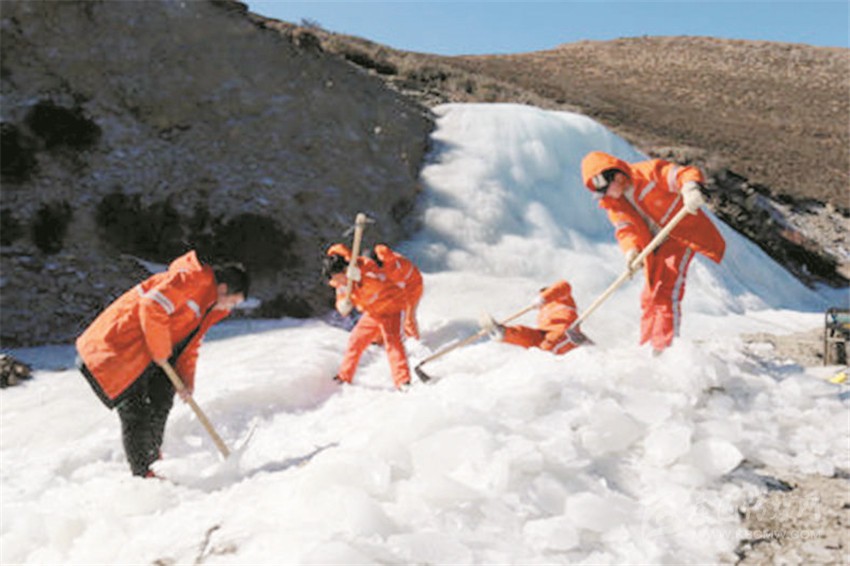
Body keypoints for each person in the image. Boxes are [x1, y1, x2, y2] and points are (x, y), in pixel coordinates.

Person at [75, 250, 249, 477]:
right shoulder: (192, 280)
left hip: (142, 353)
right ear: (223, 289)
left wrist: (185, 381)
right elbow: (152, 305)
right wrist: (161, 351)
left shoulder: (207, 306)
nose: (230, 309)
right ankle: (144, 475)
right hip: (113, 347)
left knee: (163, 394)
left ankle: (153, 458)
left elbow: (190, 345)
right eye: (233, 302)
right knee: (135, 412)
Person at [580, 151, 725, 353]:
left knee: (665, 291)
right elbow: (625, 229)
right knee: (649, 297)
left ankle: (665, 349)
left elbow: (682, 174)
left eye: (605, 189)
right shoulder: (613, 203)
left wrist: (691, 189)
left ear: (617, 176)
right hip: (653, 245)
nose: (605, 195)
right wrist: (631, 251)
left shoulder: (648, 173)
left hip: (680, 234)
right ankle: (647, 346)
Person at [323, 243, 414, 390]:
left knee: (392, 343)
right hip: (372, 313)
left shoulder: (365, 266)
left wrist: (361, 278)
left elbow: (378, 284)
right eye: (334, 278)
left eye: (338, 277)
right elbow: (341, 297)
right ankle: (344, 377)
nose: (338, 281)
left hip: (390, 307)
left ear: (345, 269)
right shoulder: (341, 283)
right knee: (355, 341)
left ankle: (403, 381)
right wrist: (343, 305)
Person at [479, 280, 592, 354]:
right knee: (526, 335)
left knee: (548, 346)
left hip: (564, 332)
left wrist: (545, 297)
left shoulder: (563, 299)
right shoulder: (542, 312)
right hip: (544, 334)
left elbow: (564, 285)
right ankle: (504, 332)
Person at [372, 244, 423, 340]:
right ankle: (379, 338)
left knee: (408, 317)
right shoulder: (382, 256)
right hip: (399, 286)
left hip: (412, 287)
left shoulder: (393, 269)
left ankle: (414, 340)